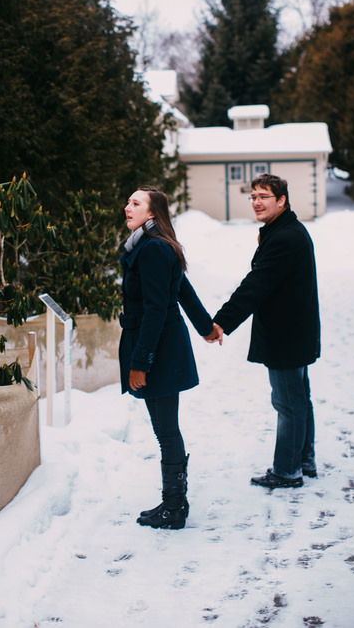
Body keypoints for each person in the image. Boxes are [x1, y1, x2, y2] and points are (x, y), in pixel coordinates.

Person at [208, 173, 320, 489]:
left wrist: (222, 322)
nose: (256, 202)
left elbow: (256, 285)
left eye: (263, 197)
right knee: (299, 399)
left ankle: (287, 471)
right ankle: (304, 459)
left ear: (281, 200)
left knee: (288, 403)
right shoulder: (284, 231)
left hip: (287, 333)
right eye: (253, 197)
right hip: (294, 330)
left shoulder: (284, 237)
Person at [119, 187, 217, 529]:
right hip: (158, 345)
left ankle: (174, 508)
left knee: (166, 430)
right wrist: (206, 327)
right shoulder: (148, 244)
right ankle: (173, 502)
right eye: (129, 202)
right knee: (166, 428)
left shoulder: (154, 249)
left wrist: (140, 363)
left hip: (158, 349)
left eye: (136, 203)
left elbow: (157, 309)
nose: (127, 207)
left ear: (152, 213)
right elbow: (182, 288)